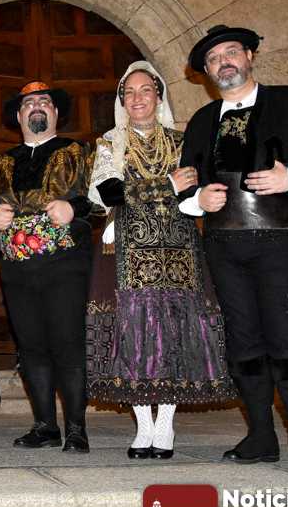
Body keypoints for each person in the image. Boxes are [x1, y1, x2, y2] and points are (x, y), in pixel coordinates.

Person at [179, 25, 288, 477]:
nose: (224, 62)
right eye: (215, 59)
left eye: (232, 52)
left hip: (278, 238)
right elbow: (186, 180)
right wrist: (198, 200)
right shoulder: (201, 121)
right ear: (207, 71)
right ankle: (260, 437)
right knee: (243, 340)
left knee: (286, 336)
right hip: (222, 244)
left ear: (250, 56)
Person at [86, 61, 235, 460]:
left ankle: (165, 423)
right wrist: (166, 184)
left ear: (158, 96)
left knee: (174, 333)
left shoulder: (183, 141)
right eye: (129, 92)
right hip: (128, 252)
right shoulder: (110, 143)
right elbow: (109, 193)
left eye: (145, 90)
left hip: (179, 248)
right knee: (133, 334)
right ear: (122, 101)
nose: (137, 98)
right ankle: (144, 425)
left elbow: (195, 190)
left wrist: (186, 192)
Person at [0, 81, 93, 453]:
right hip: (16, 270)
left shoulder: (77, 152)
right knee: (31, 347)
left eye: (45, 101)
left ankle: (76, 429)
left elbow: (101, 198)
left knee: (67, 344)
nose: (37, 106)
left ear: (56, 113)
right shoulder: (0, 162)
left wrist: (74, 208)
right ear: (19, 115)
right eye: (29, 103)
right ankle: (44, 426)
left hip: (64, 265)